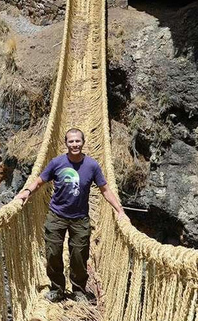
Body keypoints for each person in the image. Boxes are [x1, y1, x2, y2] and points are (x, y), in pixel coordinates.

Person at [14, 128, 127, 303]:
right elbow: (40, 181)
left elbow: (105, 190)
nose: (74, 144)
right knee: (53, 253)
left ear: (83, 142)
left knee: (79, 255)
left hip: (80, 218)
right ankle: (57, 289)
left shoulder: (92, 165)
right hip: (57, 215)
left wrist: (120, 211)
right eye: (71, 141)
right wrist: (26, 192)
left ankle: (79, 290)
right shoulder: (56, 163)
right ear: (66, 144)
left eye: (77, 141)